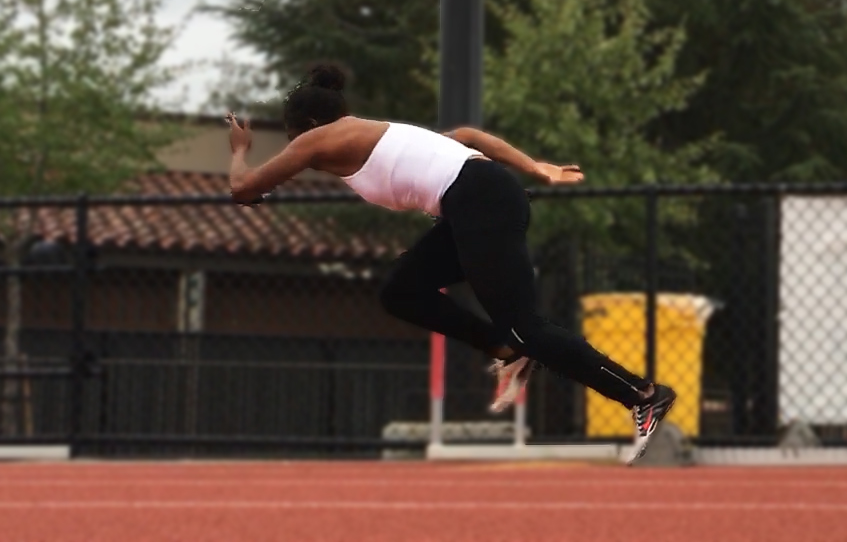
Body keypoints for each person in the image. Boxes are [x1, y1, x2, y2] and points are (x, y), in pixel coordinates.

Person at [225, 65, 676, 463]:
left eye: (293, 140)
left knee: (526, 328)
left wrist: (240, 150)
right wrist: (536, 167)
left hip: (479, 200)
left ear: (306, 126)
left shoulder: (318, 138)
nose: (300, 154)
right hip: (477, 201)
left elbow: (243, 189)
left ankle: (643, 394)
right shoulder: (383, 132)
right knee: (402, 289)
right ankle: (506, 349)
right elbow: (470, 137)